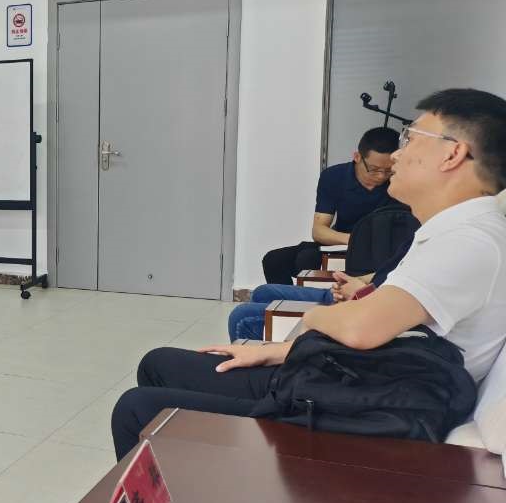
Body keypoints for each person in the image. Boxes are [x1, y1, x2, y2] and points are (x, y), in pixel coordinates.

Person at [112, 89, 506, 460]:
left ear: (453, 153)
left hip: (363, 407)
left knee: (138, 408)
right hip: (352, 379)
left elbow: (360, 328)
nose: (397, 156)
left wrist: (316, 317)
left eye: (411, 138)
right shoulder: (452, 231)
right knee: (158, 364)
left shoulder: (470, 242)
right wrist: (276, 351)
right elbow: (375, 329)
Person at [261, 127, 400, 283]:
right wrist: (354, 240)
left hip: (381, 249)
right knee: (274, 260)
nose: (381, 176)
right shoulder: (335, 176)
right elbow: (319, 231)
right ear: (357, 157)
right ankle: (287, 298)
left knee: (307, 259)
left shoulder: (402, 180)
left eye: (388, 170)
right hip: (341, 243)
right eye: (374, 170)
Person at [227, 231, 413, 341]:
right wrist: (358, 282)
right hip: (361, 293)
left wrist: (361, 293)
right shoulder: (417, 234)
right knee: (263, 292)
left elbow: (400, 302)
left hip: (365, 306)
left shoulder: (426, 240)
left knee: (241, 316)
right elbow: (387, 275)